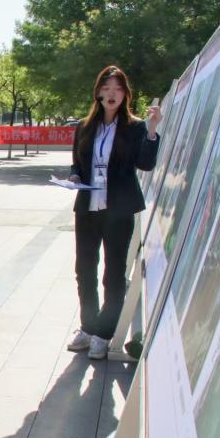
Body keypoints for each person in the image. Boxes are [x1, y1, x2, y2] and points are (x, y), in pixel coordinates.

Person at [66, 65, 161, 360]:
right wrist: (74, 176)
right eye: (106, 88)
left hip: (119, 211)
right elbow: (77, 161)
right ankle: (87, 326)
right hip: (88, 208)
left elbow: (145, 164)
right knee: (84, 269)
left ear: (125, 95)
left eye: (118, 89)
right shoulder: (85, 126)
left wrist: (152, 130)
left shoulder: (135, 127)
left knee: (114, 274)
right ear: (98, 92)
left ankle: (103, 334)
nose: (111, 94)